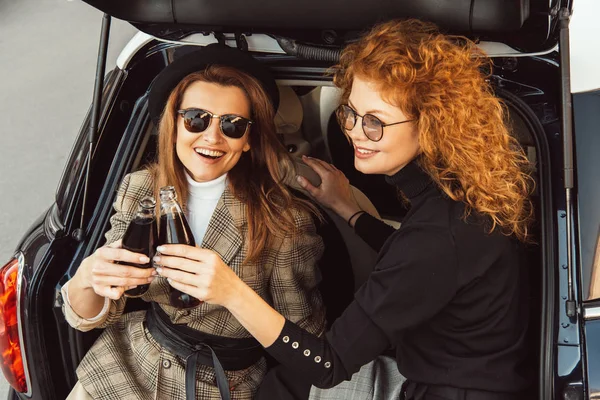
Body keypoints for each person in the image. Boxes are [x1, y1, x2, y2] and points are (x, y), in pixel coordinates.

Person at [154, 19, 535, 400]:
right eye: (350, 113)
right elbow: (421, 265)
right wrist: (348, 209)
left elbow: (328, 365)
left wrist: (232, 291)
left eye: (375, 123)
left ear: (432, 125)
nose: (354, 131)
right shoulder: (455, 198)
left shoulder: (439, 232)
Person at [61, 44, 326, 400]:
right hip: (124, 365)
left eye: (232, 125)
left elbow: (305, 345)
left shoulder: (284, 221)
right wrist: (87, 278)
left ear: (248, 140)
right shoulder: (140, 188)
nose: (212, 137)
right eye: (196, 119)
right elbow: (95, 313)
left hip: (222, 384)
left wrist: (233, 293)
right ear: (174, 125)